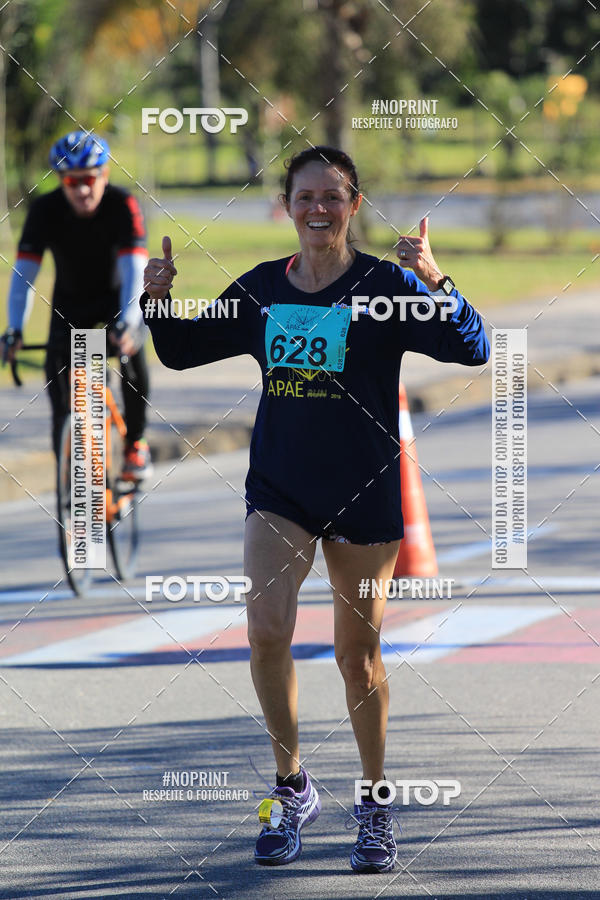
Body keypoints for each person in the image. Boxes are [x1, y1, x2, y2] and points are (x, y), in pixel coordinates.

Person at [141, 146, 490, 873]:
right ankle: (290, 787)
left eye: (333, 197)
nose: (319, 210)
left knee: (355, 658)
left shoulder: (384, 285)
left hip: (364, 491)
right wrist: (156, 297)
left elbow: (473, 348)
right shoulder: (264, 289)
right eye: (305, 197)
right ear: (287, 206)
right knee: (266, 630)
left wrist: (434, 278)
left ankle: (373, 804)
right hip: (281, 489)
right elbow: (178, 349)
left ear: (353, 206)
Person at [1, 130, 152, 480]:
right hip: (68, 309)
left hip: (117, 303)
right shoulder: (45, 210)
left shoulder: (122, 204)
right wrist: (15, 329)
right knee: (60, 401)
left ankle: (136, 445)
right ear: (60, 180)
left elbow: (134, 271)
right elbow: (23, 276)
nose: (81, 189)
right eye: (71, 181)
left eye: (88, 179)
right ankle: (72, 486)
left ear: (105, 175)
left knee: (133, 351)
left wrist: (130, 321)